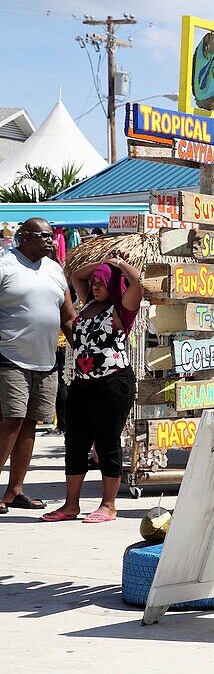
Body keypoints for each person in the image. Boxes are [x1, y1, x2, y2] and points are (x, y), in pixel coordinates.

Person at [41, 253, 142, 523]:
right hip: (82, 384)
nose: (95, 285)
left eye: (101, 282)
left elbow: (137, 284)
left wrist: (117, 265)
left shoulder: (121, 308)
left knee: (107, 443)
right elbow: (76, 276)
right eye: (95, 282)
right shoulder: (87, 306)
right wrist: (102, 264)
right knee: (75, 443)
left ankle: (108, 505)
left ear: (112, 284)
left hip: (112, 383)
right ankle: (70, 505)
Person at [0, 218, 75, 514]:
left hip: (45, 360)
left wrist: (83, 353)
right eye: (44, 236)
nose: (50, 241)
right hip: (8, 355)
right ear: (24, 237)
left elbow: (68, 316)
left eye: (51, 236)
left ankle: (15, 491)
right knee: (12, 420)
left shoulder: (55, 270)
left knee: (31, 422)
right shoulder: (5, 265)